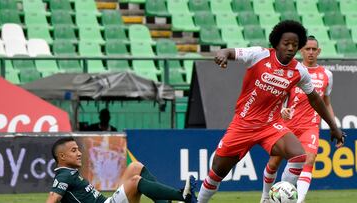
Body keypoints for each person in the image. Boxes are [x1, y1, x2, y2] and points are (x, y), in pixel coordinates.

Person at [197, 20, 345, 203]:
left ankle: (280, 199)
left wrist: (333, 126)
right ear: (276, 43)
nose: (290, 48)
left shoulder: (299, 71)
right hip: (243, 124)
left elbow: (315, 98)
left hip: (270, 125)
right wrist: (222, 54)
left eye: (295, 45)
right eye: (286, 44)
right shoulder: (259, 55)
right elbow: (230, 52)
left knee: (299, 155)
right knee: (217, 172)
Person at [260, 36, 340, 203]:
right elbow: (279, 96)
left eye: (314, 49)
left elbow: (326, 103)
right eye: (307, 49)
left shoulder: (327, 75)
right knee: (274, 163)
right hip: (287, 125)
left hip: (310, 126)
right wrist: (282, 110)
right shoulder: (293, 71)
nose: (310, 52)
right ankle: (266, 197)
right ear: (301, 51)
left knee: (309, 159)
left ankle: (298, 200)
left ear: (319, 51)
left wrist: (334, 125)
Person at [46, 137, 197, 203]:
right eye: (74, 150)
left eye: (78, 149)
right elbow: (53, 198)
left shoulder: (68, 173)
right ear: (62, 156)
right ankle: (184, 196)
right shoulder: (63, 175)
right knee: (135, 181)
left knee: (135, 167)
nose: (79, 153)